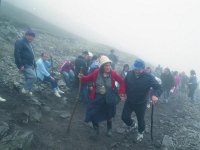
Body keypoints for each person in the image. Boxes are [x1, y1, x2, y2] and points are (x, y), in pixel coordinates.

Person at [79, 55, 126, 137]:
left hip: (109, 98)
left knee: (109, 114)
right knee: (92, 113)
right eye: (106, 65)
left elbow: (122, 82)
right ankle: (96, 130)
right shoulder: (96, 72)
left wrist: (121, 92)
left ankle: (109, 129)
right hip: (98, 97)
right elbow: (87, 79)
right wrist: (81, 77)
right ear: (101, 66)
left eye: (109, 65)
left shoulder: (113, 73)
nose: (108, 67)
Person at [121, 59, 162, 141]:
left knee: (141, 120)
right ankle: (133, 124)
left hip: (141, 103)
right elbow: (124, 84)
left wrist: (155, 95)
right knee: (124, 117)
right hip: (129, 101)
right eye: (135, 68)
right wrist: (122, 93)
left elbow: (158, 88)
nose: (136, 71)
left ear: (143, 68)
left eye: (138, 69)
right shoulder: (129, 74)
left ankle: (140, 132)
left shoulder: (149, 77)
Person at [14, 30, 37, 96]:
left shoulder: (29, 44)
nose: (31, 38)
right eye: (30, 36)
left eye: (33, 36)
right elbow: (17, 54)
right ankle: (24, 90)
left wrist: (34, 64)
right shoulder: (20, 42)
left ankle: (28, 89)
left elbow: (32, 55)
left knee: (29, 77)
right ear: (25, 35)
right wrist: (20, 65)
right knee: (33, 77)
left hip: (30, 64)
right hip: (24, 64)